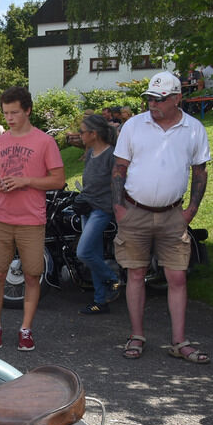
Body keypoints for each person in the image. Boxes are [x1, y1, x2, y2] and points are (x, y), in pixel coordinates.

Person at [112, 71, 211, 363]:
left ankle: (179, 342)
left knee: (177, 276)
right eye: (149, 99)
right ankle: (136, 335)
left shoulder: (194, 129)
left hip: (172, 214)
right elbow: (119, 168)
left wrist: (191, 211)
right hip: (135, 211)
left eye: (160, 99)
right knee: (136, 273)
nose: (152, 104)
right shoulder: (133, 126)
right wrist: (118, 208)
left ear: (177, 98)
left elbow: (200, 172)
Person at [0, 86, 65, 352]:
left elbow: (58, 180)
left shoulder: (44, 142)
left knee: (32, 275)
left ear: (27, 110)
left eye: (14, 112)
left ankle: (26, 329)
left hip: (31, 219)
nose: (9, 118)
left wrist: (26, 181)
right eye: (6, 113)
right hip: (2, 217)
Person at [73, 115, 122, 314]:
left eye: (83, 132)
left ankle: (113, 279)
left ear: (94, 134)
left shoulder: (111, 154)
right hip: (88, 208)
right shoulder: (91, 152)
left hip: (102, 210)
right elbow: (90, 183)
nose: (80, 135)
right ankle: (100, 301)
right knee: (94, 254)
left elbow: (117, 183)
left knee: (83, 252)